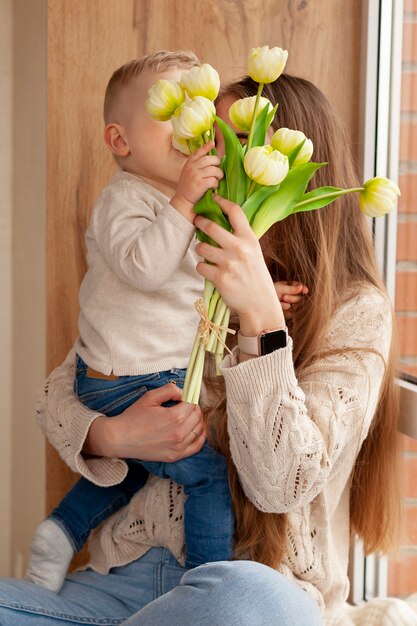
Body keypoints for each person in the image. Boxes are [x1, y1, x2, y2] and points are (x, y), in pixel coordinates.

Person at [0, 70, 400, 626]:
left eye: (230, 149)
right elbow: (60, 390)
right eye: (207, 143)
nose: (208, 161)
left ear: (287, 177)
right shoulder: (182, 255)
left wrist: (260, 316)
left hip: (251, 589)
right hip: (122, 584)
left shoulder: (357, 310)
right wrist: (111, 435)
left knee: (234, 598)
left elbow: (282, 484)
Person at [25, 51, 307, 595]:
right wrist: (183, 199)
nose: (187, 123)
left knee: (137, 463)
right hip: (123, 379)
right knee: (205, 477)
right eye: (172, 111)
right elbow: (147, 268)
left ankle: (59, 533)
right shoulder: (124, 200)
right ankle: (204, 591)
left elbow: (199, 283)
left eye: (196, 110)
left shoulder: (178, 204)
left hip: (145, 377)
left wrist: (262, 292)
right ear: (119, 141)